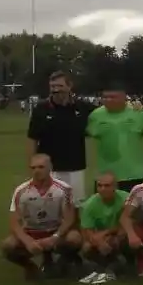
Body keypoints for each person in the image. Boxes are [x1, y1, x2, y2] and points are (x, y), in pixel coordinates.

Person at [1, 154, 81, 279]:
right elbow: (14, 222)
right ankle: (30, 267)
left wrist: (54, 238)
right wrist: (27, 241)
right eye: (33, 168)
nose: (36, 171)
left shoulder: (63, 189)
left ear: (50, 168)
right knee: (7, 245)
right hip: (32, 231)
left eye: (41, 167)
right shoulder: (21, 191)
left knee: (74, 238)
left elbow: (70, 219)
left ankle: (62, 264)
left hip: (55, 229)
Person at [26, 71, 93, 205]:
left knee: (76, 205)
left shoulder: (83, 107)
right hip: (50, 168)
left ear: (70, 86)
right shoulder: (41, 109)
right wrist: (34, 164)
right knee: (51, 206)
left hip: (76, 166)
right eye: (52, 86)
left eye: (60, 86)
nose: (56, 90)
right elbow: (32, 138)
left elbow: (103, 117)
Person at [86, 84, 143, 191]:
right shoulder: (95, 116)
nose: (108, 100)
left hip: (135, 175)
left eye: (113, 97)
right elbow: (89, 134)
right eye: (105, 97)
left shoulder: (138, 114)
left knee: (135, 207)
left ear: (124, 97)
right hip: (106, 177)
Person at [78, 172, 128, 285]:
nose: (102, 189)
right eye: (99, 186)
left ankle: (125, 262)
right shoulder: (89, 204)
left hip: (118, 233)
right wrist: (99, 242)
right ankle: (109, 266)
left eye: (107, 186)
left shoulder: (126, 199)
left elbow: (128, 223)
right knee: (86, 247)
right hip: (100, 235)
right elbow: (87, 231)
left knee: (122, 238)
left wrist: (108, 232)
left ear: (115, 187)